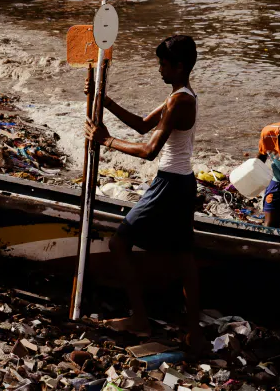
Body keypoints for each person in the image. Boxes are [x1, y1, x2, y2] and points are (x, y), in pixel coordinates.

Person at [84, 34, 204, 347]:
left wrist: (105, 141)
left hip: (169, 183)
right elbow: (140, 125)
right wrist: (104, 100)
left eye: (163, 64)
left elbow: (150, 149)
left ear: (179, 66)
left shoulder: (180, 101)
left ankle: (139, 318)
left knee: (119, 244)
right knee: (183, 258)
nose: (159, 69)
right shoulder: (180, 94)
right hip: (182, 183)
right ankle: (194, 331)